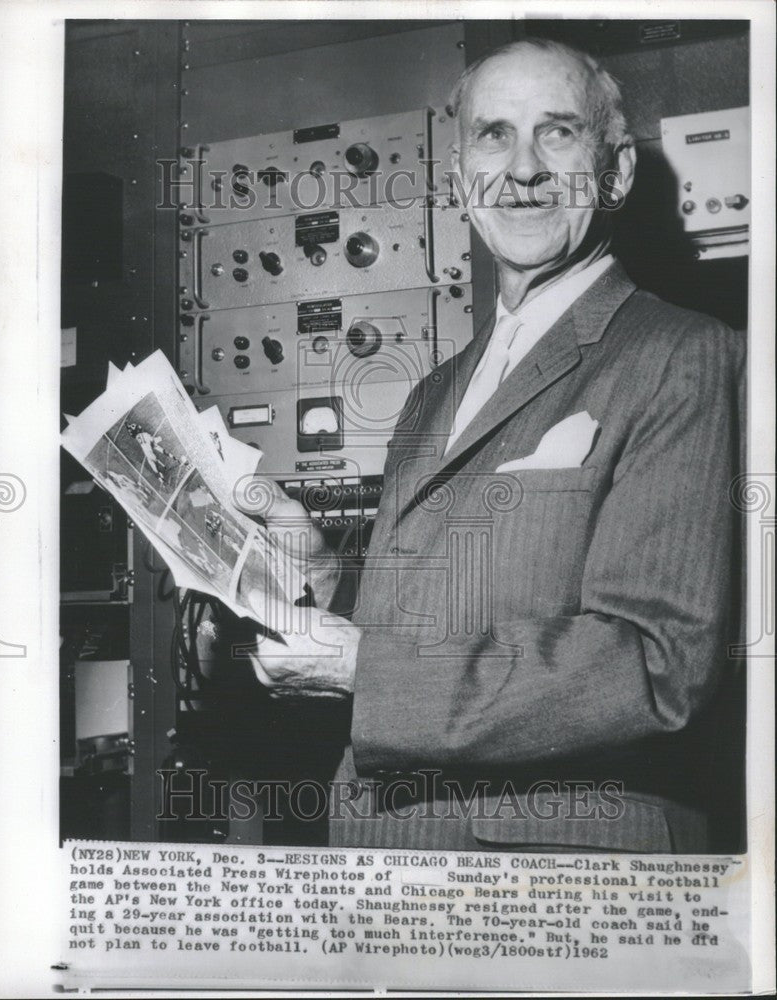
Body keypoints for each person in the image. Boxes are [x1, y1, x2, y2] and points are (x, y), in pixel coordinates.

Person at [235, 38, 744, 852]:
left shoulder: (682, 356)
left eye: (559, 133)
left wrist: (363, 669)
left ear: (613, 175)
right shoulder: (432, 391)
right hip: (383, 864)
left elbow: (655, 666)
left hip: (560, 892)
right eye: (493, 135)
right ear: (457, 180)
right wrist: (326, 585)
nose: (523, 168)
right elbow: (423, 619)